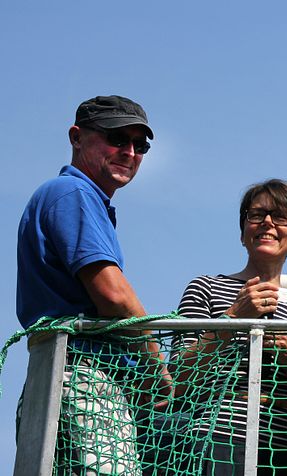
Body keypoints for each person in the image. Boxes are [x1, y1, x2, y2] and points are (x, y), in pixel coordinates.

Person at [16, 95, 171, 474]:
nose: (130, 152)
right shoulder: (73, 193)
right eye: (117, 138)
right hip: (84, 376)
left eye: (140, 145)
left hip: (56, 375)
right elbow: (114, 296)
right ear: (76, 137)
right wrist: (157, 369)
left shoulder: (74, 198)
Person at [173, 179, 287, 475]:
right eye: (256, 215)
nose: (267, 223)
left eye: (281, 217)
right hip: (217, 440)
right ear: (242, 232)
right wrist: (233, 318)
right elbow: (178, 380)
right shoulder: (206, 288)